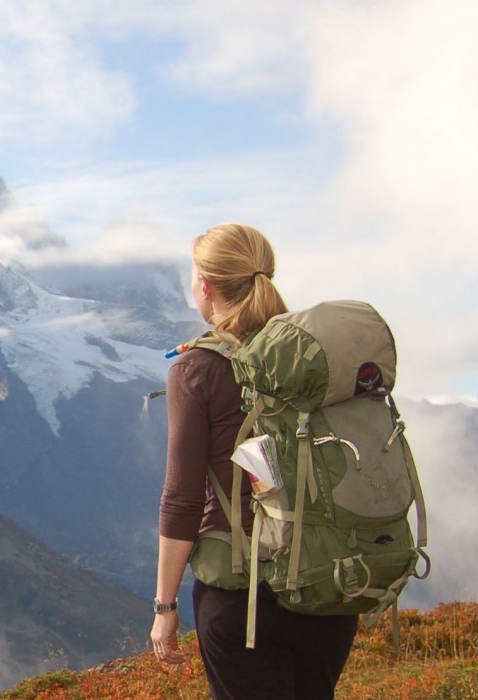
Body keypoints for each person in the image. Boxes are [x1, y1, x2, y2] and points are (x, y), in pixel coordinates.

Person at [150, 223, 360, 699]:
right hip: (328, 584)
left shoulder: (197, 370)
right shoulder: (313, 358)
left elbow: (181, 499)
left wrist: (165, 607)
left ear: (205, 285)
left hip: (242, 597)